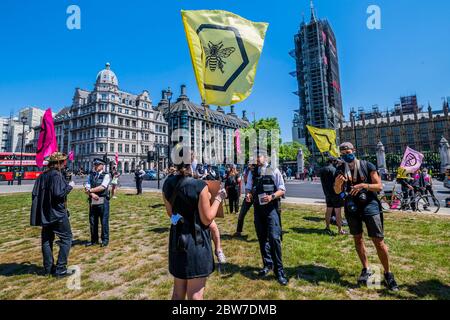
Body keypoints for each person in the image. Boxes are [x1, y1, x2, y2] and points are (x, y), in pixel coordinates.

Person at [334, 142, 399, 291]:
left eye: (348, 152)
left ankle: (388, 274)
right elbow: (337, 191)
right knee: (357, 238)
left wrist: (364, 185)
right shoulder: (340, 169)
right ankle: (366, 268)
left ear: (354, 151)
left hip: (370, 205)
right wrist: (338, 185)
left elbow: (379, 186)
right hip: (351, 207)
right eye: (343, 154)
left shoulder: (367, 164)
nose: (345, 155)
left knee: (378, 240)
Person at [162, 162, 227, 300]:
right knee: (195, 295)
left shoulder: (167, 183)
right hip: (196, 242)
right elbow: (207, 219)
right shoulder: (199, 185)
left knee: (178, 293)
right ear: (191, 163)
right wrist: (218, 199)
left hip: (177, 240)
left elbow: (171, 214)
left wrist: (183, 217)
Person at [30, 152, 75, 277]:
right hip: (57, 214)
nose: (65, 163)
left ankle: (48, 268)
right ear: (58, 163)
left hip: (45, 213)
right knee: (67, 239)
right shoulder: (56, 175)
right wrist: (70, 186)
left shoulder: (43, 175)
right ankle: (60, 269)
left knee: (47, 240)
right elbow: (58, 194)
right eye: (64, 161)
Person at [245, 154, 288, 285]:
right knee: (262, 238)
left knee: (274, 238)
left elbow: (282, 189)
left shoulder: (274, 170)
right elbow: (248, 188)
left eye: (259, 157)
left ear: (266, 158)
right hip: (258, 210)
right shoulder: (253, 173)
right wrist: (248, 195)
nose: (257, 159)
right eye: (255, 157)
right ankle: (267, 265)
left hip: (271, 209)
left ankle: (279, 271)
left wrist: (272, 196)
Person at [85, 158, 111, 247]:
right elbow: (86, 186)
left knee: (104, 221)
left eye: (97, 165)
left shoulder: (106, 175)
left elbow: (103, 187)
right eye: (94, 165)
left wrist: (90, 191)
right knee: (92, 220)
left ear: (102, 166)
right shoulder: (91, 175)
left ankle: (105, 240)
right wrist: (92, 194)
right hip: (93, 199)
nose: (95, 166)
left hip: (103, 200)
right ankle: (94, 240)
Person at [319, 158, 346, 235]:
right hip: (336, 194)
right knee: (338, 212)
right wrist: (342, 194)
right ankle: (340, 230)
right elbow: (339, 183)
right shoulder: (334, 170)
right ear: (333, 162)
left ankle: (327, 227)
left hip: (327, 194)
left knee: (328, 211)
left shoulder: (322, 170)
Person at [234, 163, 254, 237]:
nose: (249, 165)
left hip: (257, 195)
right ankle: (238, 231)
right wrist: (247, 194)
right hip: (249, 194)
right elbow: (247, 184)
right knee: (242, 213)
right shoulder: (248, 171)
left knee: (260, 216)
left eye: (251, 164)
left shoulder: (260, 171)